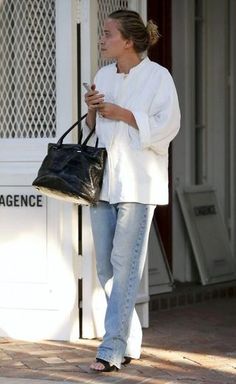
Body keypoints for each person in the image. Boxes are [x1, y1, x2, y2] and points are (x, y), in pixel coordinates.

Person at [84, 9, 180, 372]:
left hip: (139, 185)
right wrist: (93, 110)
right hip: (104, 183)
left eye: (107, 33)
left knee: (124, 268)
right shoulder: (103, 74)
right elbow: (95, 130)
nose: (101, 39)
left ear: (127, 40)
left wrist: (123, 113)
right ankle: (129, 341)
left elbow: (168, 126)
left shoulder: (158, 77)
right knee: (107, 267)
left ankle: (110, 349)